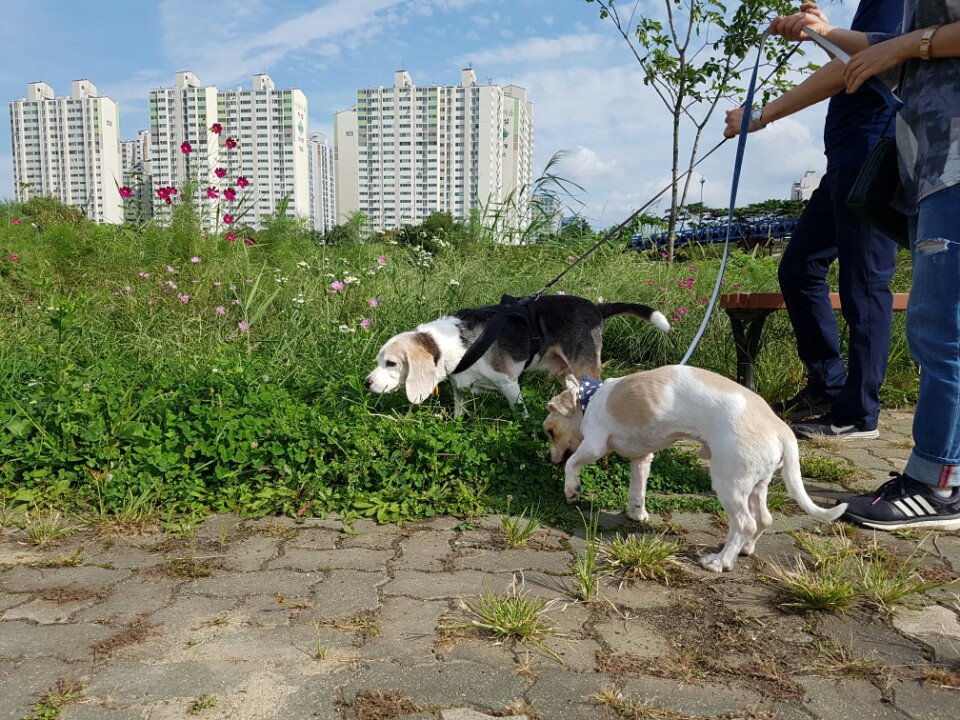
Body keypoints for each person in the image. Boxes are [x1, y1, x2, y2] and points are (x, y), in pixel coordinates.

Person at [771, 0, 960, 529]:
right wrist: (826, 31)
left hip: (941, 159)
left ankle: (936, 479)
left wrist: (906, 43)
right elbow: (878, 50)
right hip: (927, 158)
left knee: (938, 326)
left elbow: (892, 51)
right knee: (935, 325)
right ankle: (935, 467)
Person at [724, 0, 902, 442]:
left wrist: (761, 115)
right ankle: (829, 388)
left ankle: (859, 415)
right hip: (844, 157)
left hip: (871, 151)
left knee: (864, 284)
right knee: (799, 268)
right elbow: (855, 59)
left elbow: (855, 67)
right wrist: (822, 32)